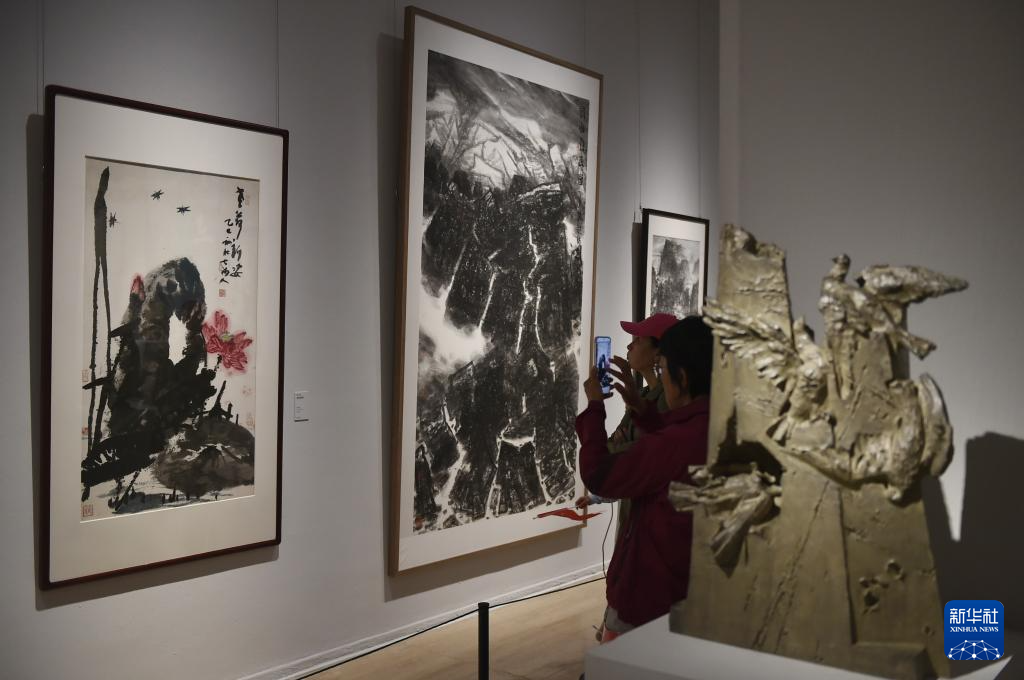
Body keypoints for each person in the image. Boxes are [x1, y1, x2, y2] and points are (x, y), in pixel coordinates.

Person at [576, 316, 713, 643]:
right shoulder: (717, 424)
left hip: (652, 594)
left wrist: (594, 407)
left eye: (664, 368)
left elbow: (600, 473)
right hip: (689, 590)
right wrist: (642, 409)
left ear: (680, 376)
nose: (629, 345)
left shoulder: (676, 441)